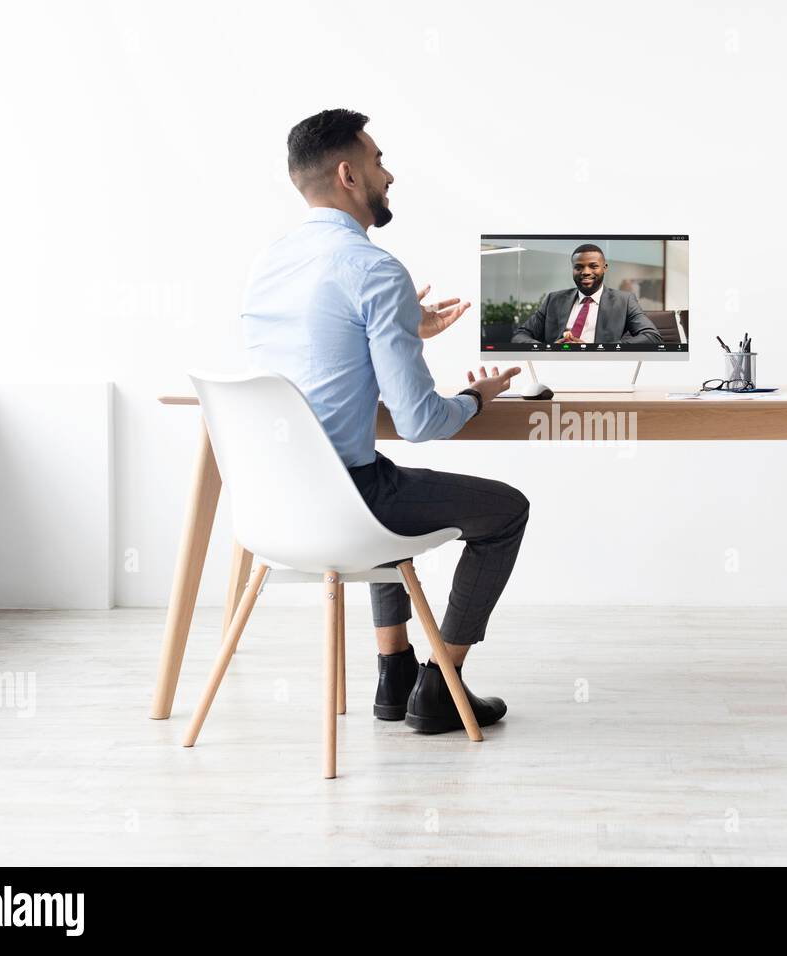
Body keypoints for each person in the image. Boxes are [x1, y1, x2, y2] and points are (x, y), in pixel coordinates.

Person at [241, 108, 527, 734]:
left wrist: (402, 327)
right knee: (505, 511)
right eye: (377, 160)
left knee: (382, 473)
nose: (388, 173)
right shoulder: (374, 268)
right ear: (348, 174)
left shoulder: (269, 265)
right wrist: (478, 400)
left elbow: (321, 356)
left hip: (269, 508)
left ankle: (393, 674)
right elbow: (421, 418)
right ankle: (441, 685)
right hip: (349, 504)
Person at [511, 244, 663, 346]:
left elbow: (652, 336)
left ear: (604, 268)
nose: (586, 272)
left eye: (593, 266)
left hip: (602, 366)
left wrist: (595, 348)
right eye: (579, 267)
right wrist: (548, 348)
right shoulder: (554, 300)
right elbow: (520, 335)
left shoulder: (624, 300)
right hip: (556, 365)